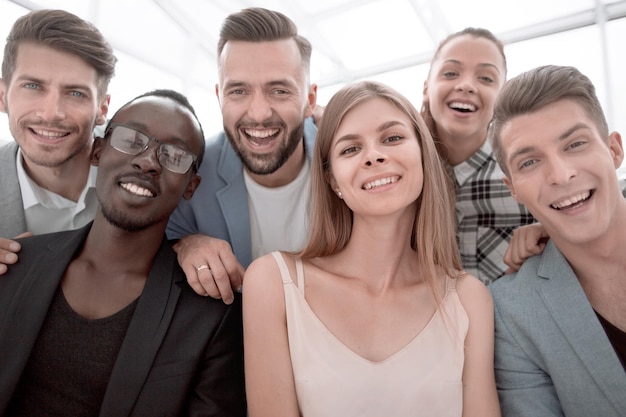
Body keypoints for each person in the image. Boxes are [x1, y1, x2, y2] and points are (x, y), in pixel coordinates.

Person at [243, 81, 500, 417]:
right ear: (333, 181)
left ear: (423, 153)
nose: (374, 155)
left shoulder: (469, 299)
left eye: (392, 138)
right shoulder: (273, 283)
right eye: (350, 149)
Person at [0, 89, 246, 416]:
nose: (148, 161)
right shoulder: (14, 265)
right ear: (98, 151)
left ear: (191, 186)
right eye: (132, 138)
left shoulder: (213, 315)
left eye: (174, 155)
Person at [488, 65, 626, 417]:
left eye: (575, 144)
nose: (561, 175)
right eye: (530, 162)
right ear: (513, 189)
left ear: (614, 149)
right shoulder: (511, 313)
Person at [166, 7, 318, 304]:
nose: (259, 114)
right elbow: (161, 238)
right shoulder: (193, 171)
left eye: (279, 91)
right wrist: (187, 244)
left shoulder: (345, 160)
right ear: (219, 97)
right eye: (238, 91)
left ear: (310, 100)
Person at [0, 9, 116, 273]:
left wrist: (188, 243)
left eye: (76, 93)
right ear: (2, 95)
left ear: (103, 108)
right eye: (33, 86)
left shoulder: (140, 168)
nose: (51, 113)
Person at [421, 27, 535, 284]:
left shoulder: (524, 173)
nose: (466, 85)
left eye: (485, 78)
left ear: (502, 97)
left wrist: (551, 230)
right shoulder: (403, 172)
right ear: (427, 89)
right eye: (451, 73)